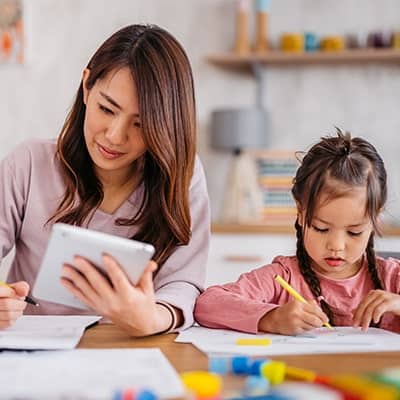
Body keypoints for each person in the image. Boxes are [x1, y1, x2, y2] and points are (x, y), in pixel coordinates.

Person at [0, 24, 210, 336]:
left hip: (133, 348)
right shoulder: (29, 163)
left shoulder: (182, 176)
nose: (114, 136)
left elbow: (184, 282)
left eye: (141, 125)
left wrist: (152, 318)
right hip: (34, 348)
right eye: (106, 109)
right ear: (86, 87)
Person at [195, 130, 400, 334]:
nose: (336, 245)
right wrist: (271, 318)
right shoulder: (283, 277)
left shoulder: (393, 278)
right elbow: (207, 304)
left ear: (375, 220)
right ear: (300, 212)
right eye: (321, 228)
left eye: (354, 232)